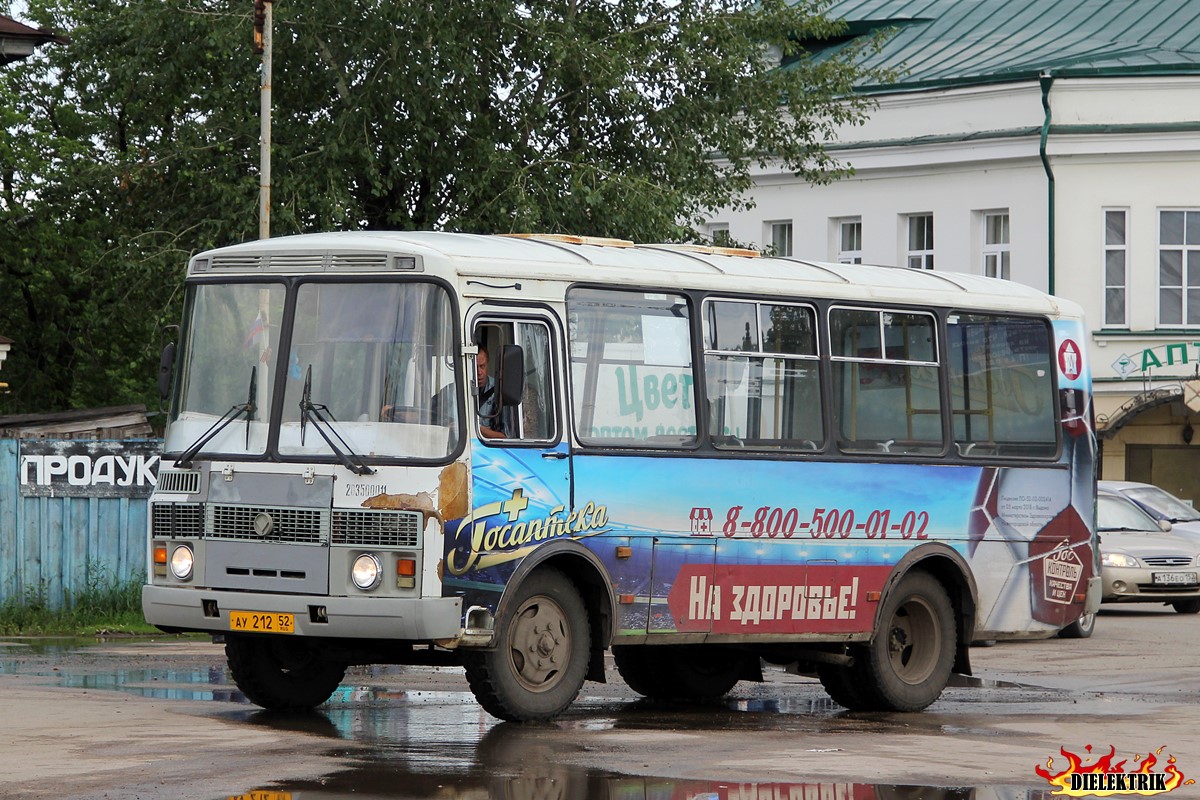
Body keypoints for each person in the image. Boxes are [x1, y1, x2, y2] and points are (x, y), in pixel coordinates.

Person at [476, 345, 515, 439]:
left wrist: (475, 427)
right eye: (474, 367)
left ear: (488, 365)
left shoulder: (500, 391)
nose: (479, 372)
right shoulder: (453, 391)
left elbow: (505, 437)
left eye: (482, 366)